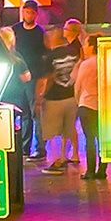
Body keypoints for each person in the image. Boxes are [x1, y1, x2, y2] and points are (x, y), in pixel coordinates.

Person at [9, 0, 53, 160]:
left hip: (33, 77)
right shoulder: (16, 30)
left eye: (31, 12)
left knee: (35, 113)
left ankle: (40, 148)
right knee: (23, 112)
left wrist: (43, 77)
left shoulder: (39, 33)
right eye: (26, 12)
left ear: (36, 14)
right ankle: (24, 147)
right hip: (17, 77)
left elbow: (46, 54)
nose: (28, 15)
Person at [37, 18, 82, 171]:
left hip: (54, 99)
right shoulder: (73, 51)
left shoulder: (50, 56)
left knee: (52, 132)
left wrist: (40, 96)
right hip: (72, 96)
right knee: (69, 129)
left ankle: (57, 161)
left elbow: (47, 78)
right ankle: (69, 156)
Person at [71, 24, 104, 181]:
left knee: (89, 139)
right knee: (103, 140)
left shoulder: (86, 64)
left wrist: (78, 102)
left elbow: (78, 86)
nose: (83, 47)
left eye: (86, 44)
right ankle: (102, 170)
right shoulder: (106, 63)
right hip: (104, 107)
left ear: (92, 46)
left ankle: (90, 171)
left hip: (87, 105)